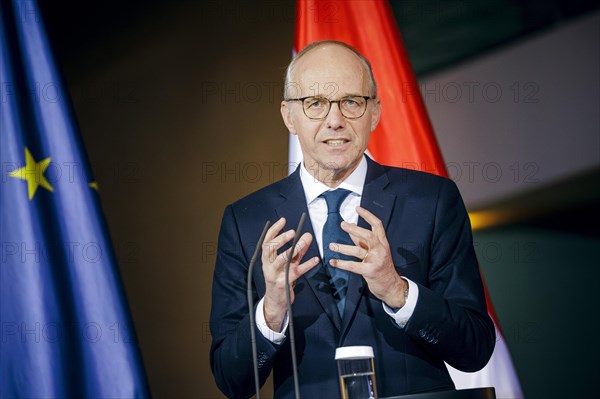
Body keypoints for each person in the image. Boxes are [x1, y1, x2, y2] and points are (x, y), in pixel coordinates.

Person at [210, 40, 495, 399]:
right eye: (315, 103)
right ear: (289, 116)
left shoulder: (432, 200)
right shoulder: (247, 221)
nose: (335, 120)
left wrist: (397, 290)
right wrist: (271, 311)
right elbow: (231, 380)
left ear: (374, 112)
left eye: (351, 102)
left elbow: (476, 348)